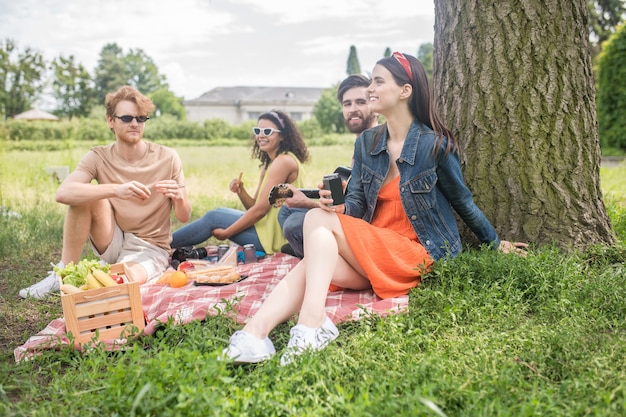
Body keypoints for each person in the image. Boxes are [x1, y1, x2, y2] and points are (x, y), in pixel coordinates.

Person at [222, 52, 528, 365]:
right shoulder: (367, 143)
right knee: (315, 253)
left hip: (416, 253)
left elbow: (463, 201)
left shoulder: (433, 145)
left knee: (314, 222)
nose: (370, 88)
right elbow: (354, 205)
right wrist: (336, 206)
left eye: (378, 81)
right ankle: (254, 335)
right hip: (373, 249)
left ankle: (310, 323)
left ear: (405, 91)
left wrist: (493, 241)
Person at [19, 85, 192, 299]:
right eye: (127, 118)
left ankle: (102, 275)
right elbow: (63, 193)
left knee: (120, 284)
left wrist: (180, 196)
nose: (135, 124)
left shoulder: (168, 157)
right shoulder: (98, 156)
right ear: (111, 120)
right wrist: (116, 190)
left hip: (150, 246)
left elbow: (184, 216)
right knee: (85, 193)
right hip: (112, 238)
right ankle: (61, 274)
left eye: (140, 118)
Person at [170, 110, 309, 255]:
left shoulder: (284, 162)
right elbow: (254, 206)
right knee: (217, 213)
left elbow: (260, 210)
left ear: (282, 135)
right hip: (264, 228)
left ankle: (162, 243)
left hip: (275, 237)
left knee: (213, 218)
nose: (261, 135)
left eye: (267, 131)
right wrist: (241, 192)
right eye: (257, 130)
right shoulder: (270, 164)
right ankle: (164, 242)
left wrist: (226, 233)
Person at [278, 74, 379, 258]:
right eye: (347, 104)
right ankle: (309, 248)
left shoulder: (377, 144)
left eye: (360, 102)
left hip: (362, 226)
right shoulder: (360, 145)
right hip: (347, 212)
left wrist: (308, 204)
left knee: (293, 225)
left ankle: (319, 257)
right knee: (285, 211)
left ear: (375, 106)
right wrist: (314, 197)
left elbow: (361, 211)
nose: (353, 109)